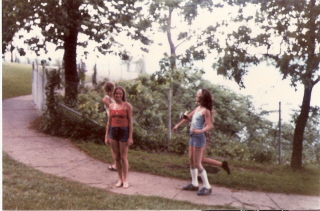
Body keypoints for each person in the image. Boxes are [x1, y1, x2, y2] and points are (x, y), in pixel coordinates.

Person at [172, 89, 214, 196]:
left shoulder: (206, 111)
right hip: (192, 136)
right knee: (191, 161)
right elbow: (188, 118)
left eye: (199, 94)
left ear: (203, 97)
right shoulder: (197, 109)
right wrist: (177, 125)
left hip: (199, 137)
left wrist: (201, 130)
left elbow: (209, 125)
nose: (196, 95)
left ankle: (207, 187)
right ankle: (194, 184)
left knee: (197, 163)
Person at [105, 86, 133, 189]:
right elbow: (108, 122)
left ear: (123, 95)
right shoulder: (111, 106)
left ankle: (125, 180)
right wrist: (106, 136)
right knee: (116, 157)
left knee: (123, 157)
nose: (118, 95)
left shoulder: (127, 106)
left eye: (120, 93)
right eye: (116, 93)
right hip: (113, 132)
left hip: (123, 132)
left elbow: (130, 122)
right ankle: (120, 179)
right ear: (113, 94)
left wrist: (130, 137)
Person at [102, 81, 117, 172]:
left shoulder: (106, 98)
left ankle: (116, 164)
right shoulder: (115, 98)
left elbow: (112, 108)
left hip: (112, 121)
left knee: (113, 145)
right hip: (117, 119)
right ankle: (119, 163)